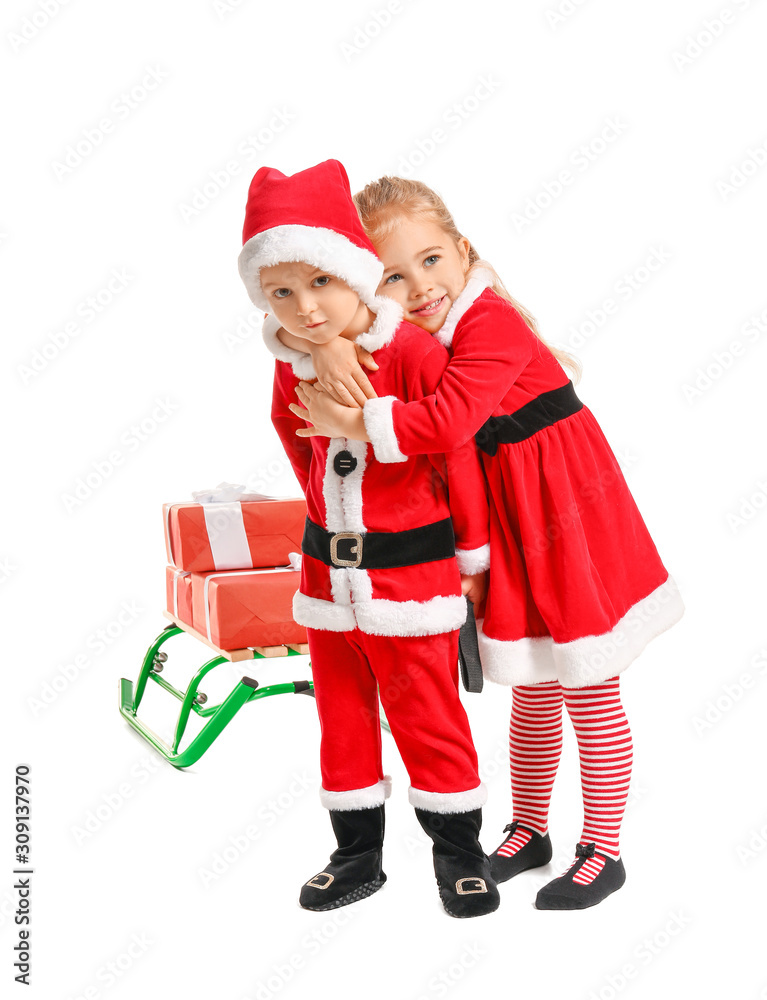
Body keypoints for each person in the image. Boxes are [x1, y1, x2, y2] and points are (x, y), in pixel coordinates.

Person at [283, 175, 685, 910]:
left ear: (464, 252)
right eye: (395, 277)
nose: (421, 286)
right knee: (529, 684)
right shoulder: (404, 333)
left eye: (432, 260)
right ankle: (528, 827)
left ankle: (603, 846)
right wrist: (323, 343)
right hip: (504, 514)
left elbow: (448, 421)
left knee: (586, 681)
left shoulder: (488, 319)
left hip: (565, 510)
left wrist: (354, 425)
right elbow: (314, 325)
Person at [237, 160, 501, 917]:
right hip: (326, 584)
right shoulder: (294, 361)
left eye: (319, 283)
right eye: (281, 293)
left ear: (354, 273)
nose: (305, 308)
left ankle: (458, 854)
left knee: (429, 718)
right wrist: (321, 508)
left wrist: (470, 558)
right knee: (342, 719)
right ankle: (356, 854)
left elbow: (454, 455)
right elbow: (292, 438)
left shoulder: (413, 353)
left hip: (410, 582)